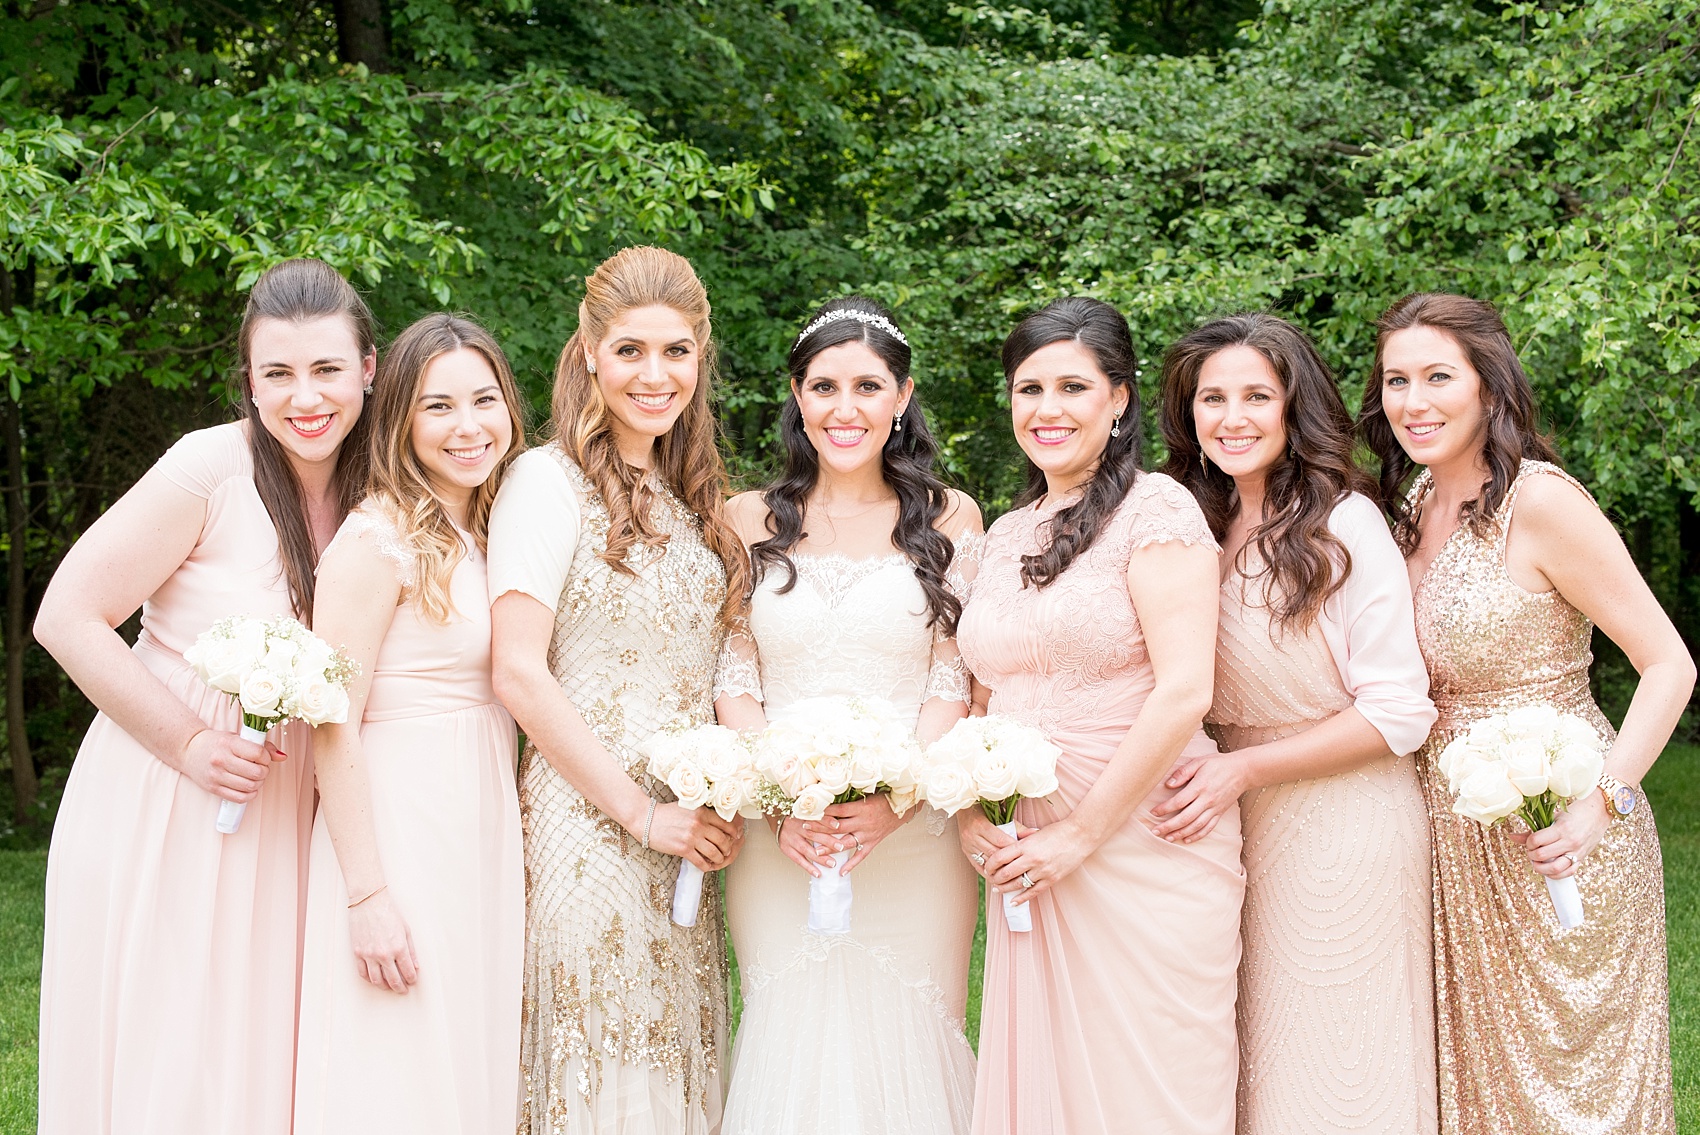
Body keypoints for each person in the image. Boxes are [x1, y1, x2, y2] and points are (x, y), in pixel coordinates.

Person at [34, 258, 374, 1134]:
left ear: (368, 369)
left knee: (260, 1045)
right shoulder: (209, 468)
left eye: (328, 369)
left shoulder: (379, 484)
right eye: (279, 373)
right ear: (250, 380)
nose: (307, 396)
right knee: (176, 1040)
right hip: (169, 795)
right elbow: (67, 616)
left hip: (289, 800)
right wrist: (188, 742)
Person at [1361, 292, 1690, 1134]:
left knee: (1572, 1092)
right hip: (1450, 842)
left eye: (1439, 375)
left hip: (1565, 832)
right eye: (1397, 379)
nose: (1413, 400)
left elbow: (1667, 664)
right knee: (1477, 1089)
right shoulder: (1403, 513)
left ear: (1489, 385)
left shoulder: (1541, 503)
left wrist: (1600, 804)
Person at [956, 296, 1241, 1135]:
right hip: (1026, 850)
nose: (1047, 410)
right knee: (1048, 1093)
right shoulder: (1004, 532)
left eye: (1072, 387)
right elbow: (981, 696)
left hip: (1143, 839)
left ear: (1118, 400)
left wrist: (1076, 837)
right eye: (1028, 388)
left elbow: (1186, 688)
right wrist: (973, 814)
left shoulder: (1157, 511)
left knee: (1151, 1089)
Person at [1155, 313, 1438, 1134]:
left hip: (1345, 824)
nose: (1232, 417)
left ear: (1293, 408)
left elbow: (1398, 710)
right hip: (1227, 825)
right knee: (1250, 1057)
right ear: (1188, 414)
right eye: (1213, 397)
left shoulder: (1344, 524)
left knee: (1340, 1061)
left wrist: (1241, 771)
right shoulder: (1191, 525)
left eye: (1256, 396)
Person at [488, 246, 749, 1135]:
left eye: (676, 351)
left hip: (685, 834)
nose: (655, 373)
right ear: (590, 351)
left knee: (677, 1053)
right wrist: (639, 812)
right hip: (588, 826)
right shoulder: (541, 481)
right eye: (631, 349)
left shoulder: (694, 501)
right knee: (597, 1063)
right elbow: (518, 670)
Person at [713, 296, 982, 1134]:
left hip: (914, 833)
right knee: (789, 1037)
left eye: (868, 385)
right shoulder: (744, 518)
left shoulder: (951, 518)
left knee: (908, 1043)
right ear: (797, 395)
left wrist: (897, 799)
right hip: (777, 833)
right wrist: (778, 799)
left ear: (901, 398)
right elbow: (734, 677)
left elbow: (954, 681)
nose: (845, 407)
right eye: (824, 386)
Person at [294, 313, 526, 1133]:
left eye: (484, 400)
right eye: (438, 407)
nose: (468, 427)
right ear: (399, 418)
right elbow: (331, 723)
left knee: (466, 1047)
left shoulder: (493, 528)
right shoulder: (376, 537)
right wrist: (367, 893)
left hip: (482, 820)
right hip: (400, 823)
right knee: (397, 1057)